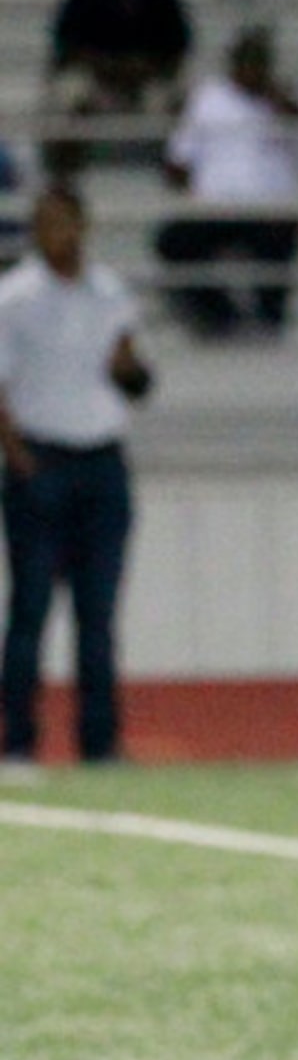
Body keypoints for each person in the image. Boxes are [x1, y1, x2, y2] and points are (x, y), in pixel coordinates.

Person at [0, 185, 154, 769]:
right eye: (46, 224)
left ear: (84, 227)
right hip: (42, 461)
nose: (56, 234)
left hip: (102, 460)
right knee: (30, 608)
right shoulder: (14, 297)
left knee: (99, 616)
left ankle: (100, 743)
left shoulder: (112, 293)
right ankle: (18, 742)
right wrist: (16, 454)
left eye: (65, 223)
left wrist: (129, 369)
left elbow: (134, 377)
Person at [154, 26, 298, 338]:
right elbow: (177, 161)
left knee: (282, 239)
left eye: (259, 62)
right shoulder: (208, 99)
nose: (253, 69)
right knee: (173, 242)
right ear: (235, 63)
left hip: (269, 211)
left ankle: (270, 321)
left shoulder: (283, 105)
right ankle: (221, 317)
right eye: (247, 61)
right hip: (217, 209)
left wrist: (281, 108)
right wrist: (195, 190)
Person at [43, 0, 193, 173]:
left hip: (146, 80)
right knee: (70, 93)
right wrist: (105, 66)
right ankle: (65, 169)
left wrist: (143, 68)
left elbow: (178, 48)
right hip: (97, 78)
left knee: (167, 100)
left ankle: (171, 169)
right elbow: (66, 46)